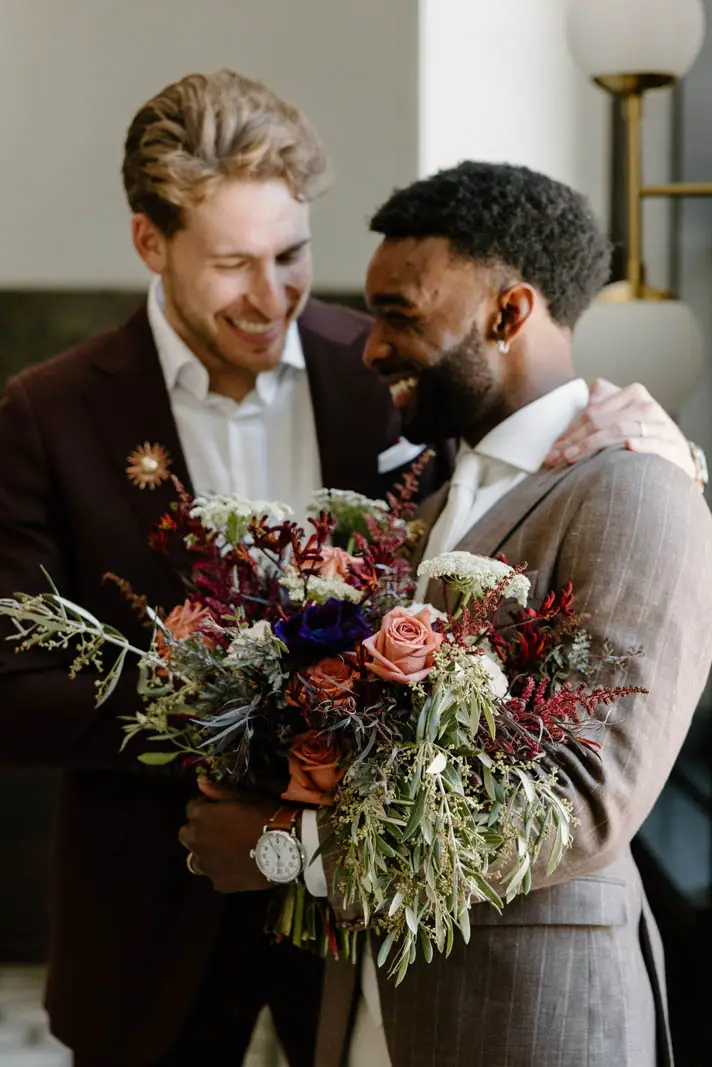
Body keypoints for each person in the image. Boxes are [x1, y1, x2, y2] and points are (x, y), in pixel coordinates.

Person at [180, 162, 712, 1067]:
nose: (371, 346)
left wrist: (290, 850)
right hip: (377, 1010)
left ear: (510, 313)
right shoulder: (426, 497)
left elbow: (583, 803)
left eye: (402, 314)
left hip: (529, 1015)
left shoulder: (634, 488)